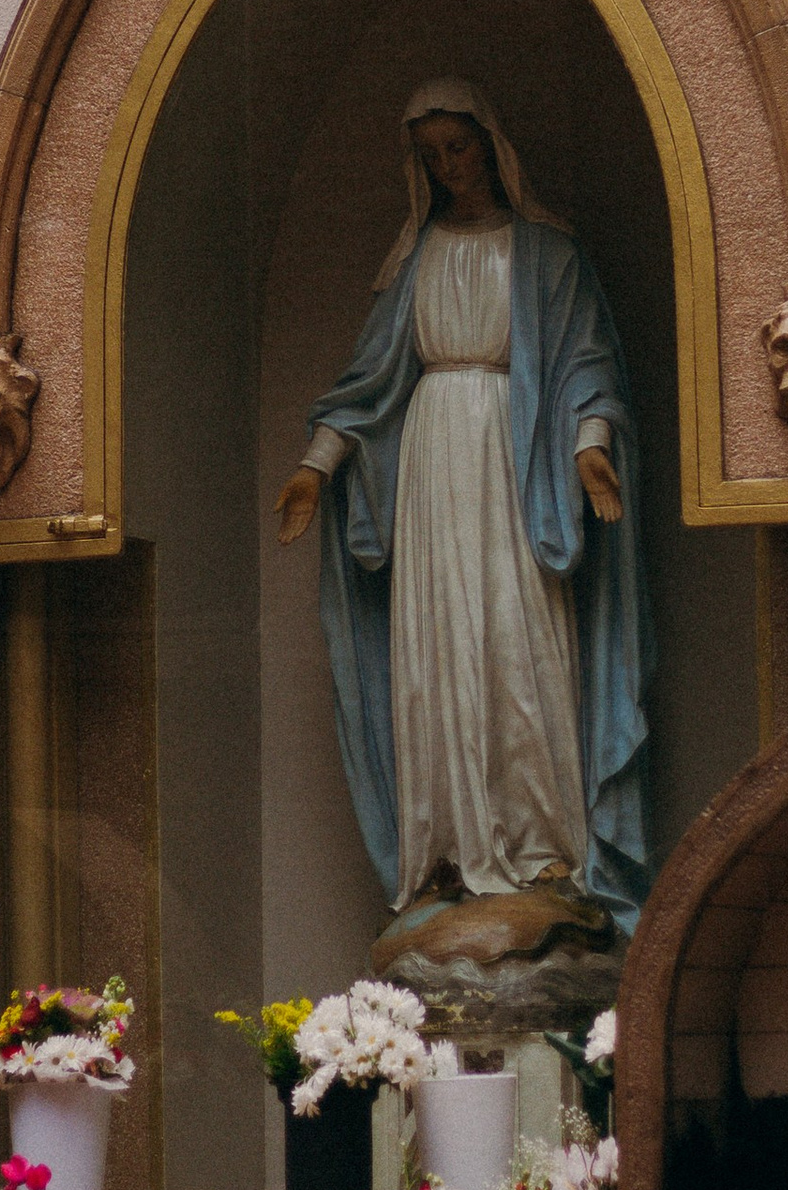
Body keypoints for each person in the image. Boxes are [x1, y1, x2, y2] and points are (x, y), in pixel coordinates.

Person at [277, 79, 650, 923]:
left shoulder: (549, 253)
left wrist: (591, 449)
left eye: (460, 147)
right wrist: (317, 466)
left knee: (520, 646)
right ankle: (448, 848)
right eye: (431, 154)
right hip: (433, 461)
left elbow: (589, 364)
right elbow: (370, 384)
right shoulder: (415, 261)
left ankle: (545, 851)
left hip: (520, 459)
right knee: (440, 647)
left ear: (492, 143)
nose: (449, 166)